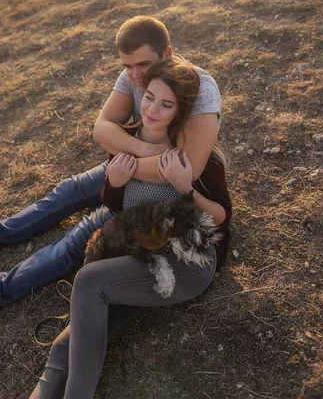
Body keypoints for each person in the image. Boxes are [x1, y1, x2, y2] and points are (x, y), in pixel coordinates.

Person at [0, 16, 224, 327]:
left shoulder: (199, 88)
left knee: (77, 239)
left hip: (160, 195)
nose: (135, 75)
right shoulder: (134, 76)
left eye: (142, 64)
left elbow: (184, 167)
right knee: (71, 189)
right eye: (127, 66)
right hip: (129, 168)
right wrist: (143, 152)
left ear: (167, 54)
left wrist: (127, 165)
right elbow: (101, 130)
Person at [30, 57, 231, 399]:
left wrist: (186, 188)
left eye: (166, 104)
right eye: (150, 97)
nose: (153, 109)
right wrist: (116, 182)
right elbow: (120, 208)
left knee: (89, 282)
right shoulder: (125, 142)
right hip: (140, 259)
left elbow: (221, 216)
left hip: (186, 263)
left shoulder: (191, 157)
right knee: (73, 335)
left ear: (178, 112)